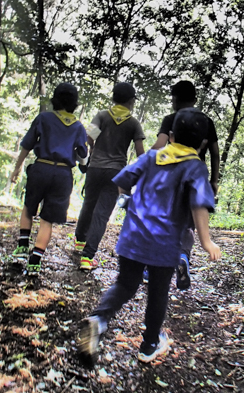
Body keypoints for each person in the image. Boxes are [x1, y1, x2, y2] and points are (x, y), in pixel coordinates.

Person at [77, 107, 221, 368]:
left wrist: (126, 199)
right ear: (201, 143)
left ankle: (98, 320)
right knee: (157, 292)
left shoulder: (152, 157)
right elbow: (199, 206)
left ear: (172, 135)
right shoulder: (195, 167)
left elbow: (123, 179)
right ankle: (149, 344)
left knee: (125, 284)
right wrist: (205, 241)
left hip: (132, 237)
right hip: (164, 244)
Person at [10, 82, 88, 273]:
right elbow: (83, 154)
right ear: (74, 103)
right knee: (47, 219)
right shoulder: (78, 127)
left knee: (29, 208)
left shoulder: (43, 118)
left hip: (41, 168)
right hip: (62, 175)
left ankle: (21, 248)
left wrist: (17, 168)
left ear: (55, 99)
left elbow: (27, 144)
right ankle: (35, 259)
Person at [150, 80, 220, 290]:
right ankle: (182, 256)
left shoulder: (171, 119)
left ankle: (150, 265)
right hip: (195, 177)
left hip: (168, 176)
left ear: (175, 98)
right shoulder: (205, 121)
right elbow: (215, 153)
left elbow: (159, 147)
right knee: (187, 225)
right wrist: (214, 181)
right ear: (195, 99)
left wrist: (146, 165)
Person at [75, 82, 145, 271]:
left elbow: (88, 139)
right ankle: (87, 257)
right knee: (102, 214)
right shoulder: (133, 123)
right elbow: (140, 152)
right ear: (131, 101)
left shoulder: (102, 116)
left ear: (113, 98)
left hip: (95, 168)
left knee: (88, 204)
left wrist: (92, 154)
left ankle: (80, 241)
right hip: (116, 173)